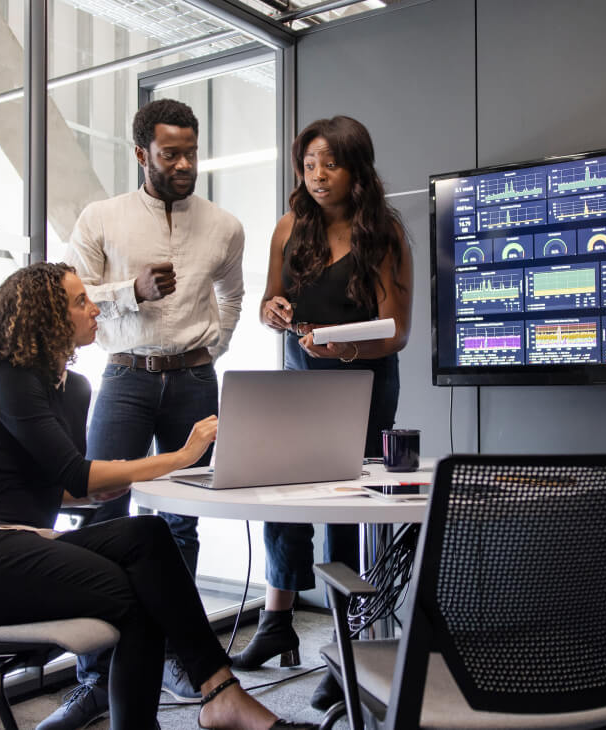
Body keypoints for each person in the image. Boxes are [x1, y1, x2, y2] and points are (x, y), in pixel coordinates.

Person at [0, 263, 313, 730]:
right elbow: (77, 475)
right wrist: (183, 456)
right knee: (141, 591)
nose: (95, 307)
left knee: (149, 536)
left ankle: (219, 692)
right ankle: (218, 696)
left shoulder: (70, 386)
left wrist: (109, 482)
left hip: (17, 542)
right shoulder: (8, 379)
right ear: (46, 317)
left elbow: (61, 488)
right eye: (80, 301)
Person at [58, 98, 245, 724]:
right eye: (171, 154)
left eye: (192, 151)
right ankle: (92, 676)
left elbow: (232, 296)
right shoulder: (101, 217)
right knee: (102, 514)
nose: (185, 163)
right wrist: (128, 293)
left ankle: (170, 648)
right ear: (141, 153)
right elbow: (74, 300)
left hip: (193, 380)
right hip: (125, 377)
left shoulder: (223, 225)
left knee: (182, 521)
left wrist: (209, 348)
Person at [234, 116, 413, 711]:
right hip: (300, 382)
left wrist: (346, 348)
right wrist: (274, 311)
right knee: (281, 494)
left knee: (345, 512)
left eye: (329, 164)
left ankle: (345, 648)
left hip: (361, 383)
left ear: (356, 169)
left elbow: (398, 332)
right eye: (308, 164)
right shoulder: (290, 227)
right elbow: (265, 303)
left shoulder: (383, 233)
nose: (316, 176)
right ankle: (278, 620)